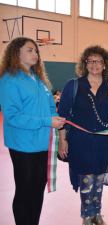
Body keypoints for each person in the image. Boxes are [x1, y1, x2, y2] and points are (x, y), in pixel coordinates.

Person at [0, 37, 65, 225]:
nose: (35, 54)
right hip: (22, 145)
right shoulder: (8, 79)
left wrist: (57, 119)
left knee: (37, 188)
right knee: (25, 189)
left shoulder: (38, 80)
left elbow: (50, 107)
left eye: (36, 51)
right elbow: (12, 116)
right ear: (16, 53)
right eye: (30, 50)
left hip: (42, 143)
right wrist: (47, 120)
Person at [57, 45, 108, 225]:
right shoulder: (73, 85)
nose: (94, 64)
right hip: (80, 142)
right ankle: (86, 215)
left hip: (105, 143)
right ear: (85, 63)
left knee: (99, 178)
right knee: (86, 179)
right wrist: (63, 140)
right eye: (90, 61)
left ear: (105, 64)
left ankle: (97, 213)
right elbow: (63, 115)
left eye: (98, 61)